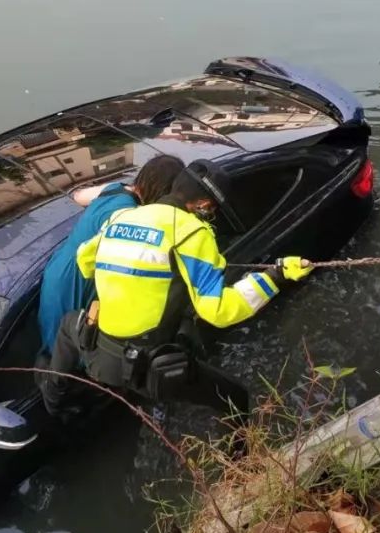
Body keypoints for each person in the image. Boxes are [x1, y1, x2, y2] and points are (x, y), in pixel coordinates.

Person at [38, 159, 314, 420]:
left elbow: (86, 260)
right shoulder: (193, 233)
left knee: (68, 324)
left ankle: (53, 392)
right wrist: (275, 276)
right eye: (212, 209)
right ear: (205, 204)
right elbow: (219, 311)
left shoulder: (122, 217)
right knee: (237, 399)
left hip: (98, 356)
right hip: (149, 369)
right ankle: (242, 459)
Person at [37, 154, 184, 357]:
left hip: (60, 269)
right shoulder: (130, 216)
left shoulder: (115, 189)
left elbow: (78, 196)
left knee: (56, 340)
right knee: (74, 345)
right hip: (81, 280)